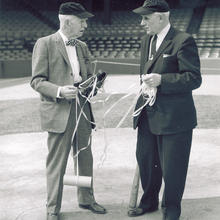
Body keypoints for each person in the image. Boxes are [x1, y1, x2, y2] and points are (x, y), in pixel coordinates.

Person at [30, 2, 106, 220]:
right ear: (67, 22)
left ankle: (86, 199)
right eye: (82, 21)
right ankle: (52, 209)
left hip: (82, 109)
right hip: (59, 111)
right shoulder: (44, 44)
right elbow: (36, 81)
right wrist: (60, 91)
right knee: (57, 162)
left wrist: (96, 82)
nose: (86, 25)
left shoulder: (81, 46)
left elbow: (86, 77)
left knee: (84, 157)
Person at [130, 0, 202, 220]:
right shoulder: (146, 41)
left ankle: (171, 209)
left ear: (161, 17)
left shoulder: (183, 40)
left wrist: (162, 80)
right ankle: (149, 202)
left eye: (146, 18)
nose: (142, 23)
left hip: (174, 118)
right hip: (147, 114)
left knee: (173, 169)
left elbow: (193, 78)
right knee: (146, 161)